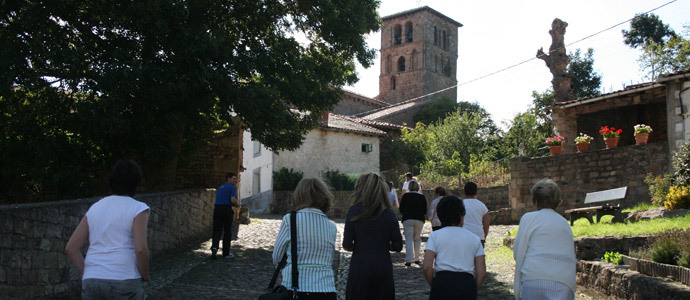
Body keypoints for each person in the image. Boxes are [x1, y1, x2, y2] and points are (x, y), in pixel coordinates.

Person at [65, 161, 150, 300]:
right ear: (136, 183)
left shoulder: (95, 208)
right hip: (125, 277)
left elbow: (71, 248)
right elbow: (140, 249)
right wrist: (145, 277)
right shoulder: (138, 208)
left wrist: (88, 272)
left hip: (92, 280)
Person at [272, 178, 338, 299]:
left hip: (296, 288)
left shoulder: (290, 220)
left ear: (299, 196)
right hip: (327, 289)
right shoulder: (332, 226)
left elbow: (277, 257)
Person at [513, 179, 576, 300]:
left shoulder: (528, 218)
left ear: (535, 202)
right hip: (562, 281)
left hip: (533, 278)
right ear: (558, 202)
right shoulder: (564, 223)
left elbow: (517, 251)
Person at [343, 173, 403, 300]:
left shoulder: (354, 211)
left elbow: (347, 244)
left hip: (360, 265)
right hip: (382, 265)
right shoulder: (389, 214)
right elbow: (398, 246)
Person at [423, 195, 486, 300]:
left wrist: (434, 286)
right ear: (462, 215)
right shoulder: (474, 239)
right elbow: (482, 272)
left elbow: (426, 267)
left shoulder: (435, 236)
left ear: (440, 216)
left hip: (442, 283)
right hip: (466, 284)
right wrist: (473, 289)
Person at [211, 172, 240, 259]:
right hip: (226, 210)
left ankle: (214, 247)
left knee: (217, 230)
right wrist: (238, 205)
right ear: (228, 179)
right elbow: (233, 200)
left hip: (217, 209)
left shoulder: (220, 187)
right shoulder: (232, 188)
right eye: (234, 179)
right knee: (227, 231)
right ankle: (226, 253)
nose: (235, 180)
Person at [398, 180, 427, 266]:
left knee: (409, 239)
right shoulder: (422, 197)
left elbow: (401, 208)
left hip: (408, 219)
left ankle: (408, 260)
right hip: (419, 219)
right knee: (417, 238)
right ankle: (417, 258)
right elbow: (425, 209)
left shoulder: (406, 196)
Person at [462, 182, 490, 247]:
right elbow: (486, 224)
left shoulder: (459, 205)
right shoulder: (482, 206)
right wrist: (484, 236)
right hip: (478, 236)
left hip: (463, 237)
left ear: (464, 192)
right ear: (476, 192)